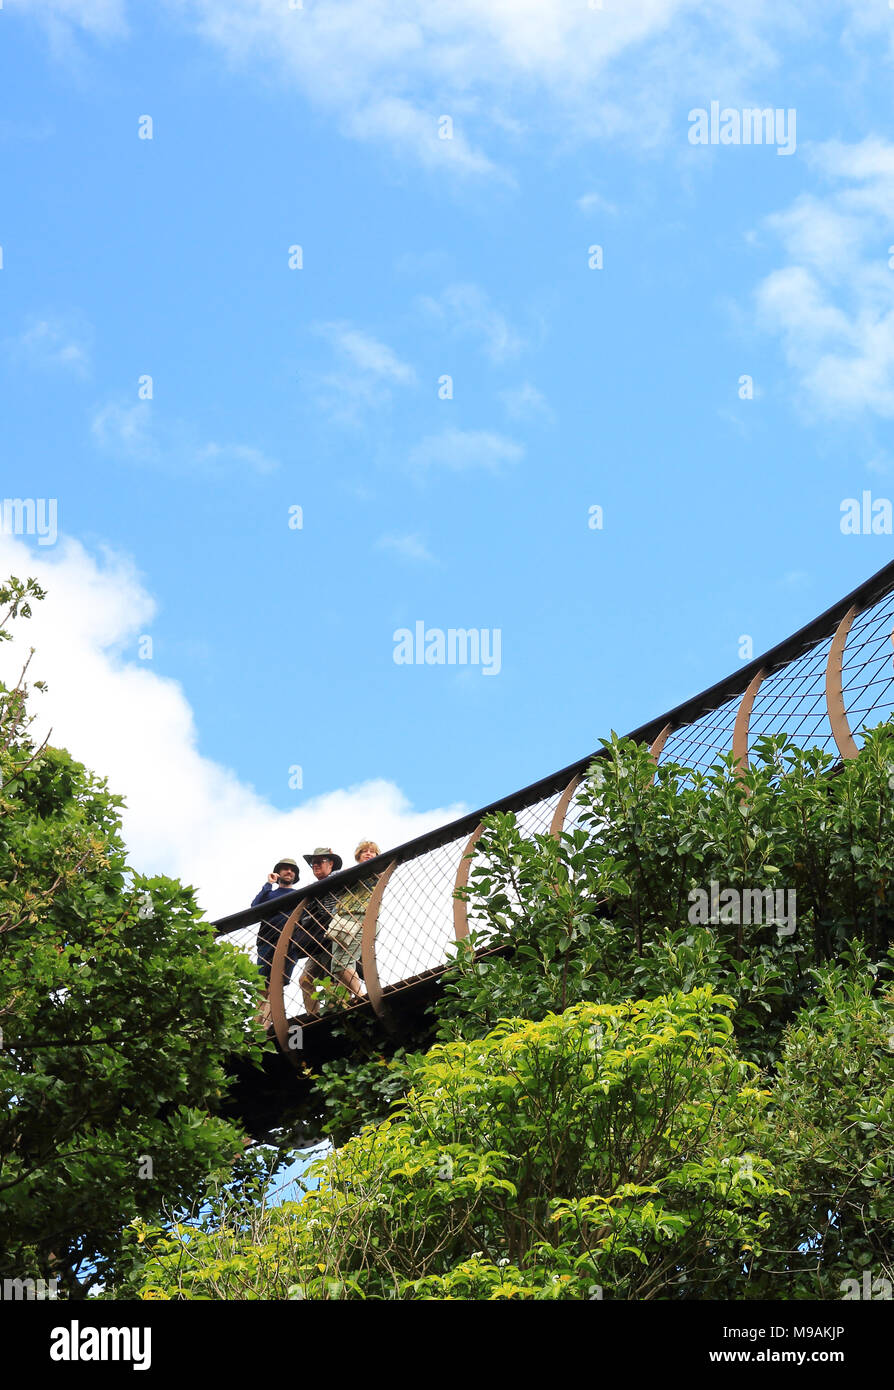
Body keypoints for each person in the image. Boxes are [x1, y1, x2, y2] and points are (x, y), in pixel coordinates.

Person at [326, 840, 380, 1001]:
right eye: (364, 851)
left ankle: (362, 998)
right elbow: (332, 878)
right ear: (358, 856)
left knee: (342, 963)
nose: (368, 853)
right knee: (337, 965)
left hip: (362, 917)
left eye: (372, 851)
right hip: (343, 919)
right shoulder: (349, 873)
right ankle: (345, 1002)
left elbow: (382, 874)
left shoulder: (378, 871)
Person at [298, 847, 343, 1017]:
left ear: (331, 864)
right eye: (313, 863)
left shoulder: (336, 877)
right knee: (305, 979)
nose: (315, 865)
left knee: (331, 978)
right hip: (319, 939)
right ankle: (313, 1016)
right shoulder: (314, 888)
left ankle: (337, 1011)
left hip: (335, 934)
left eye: (320, 862)